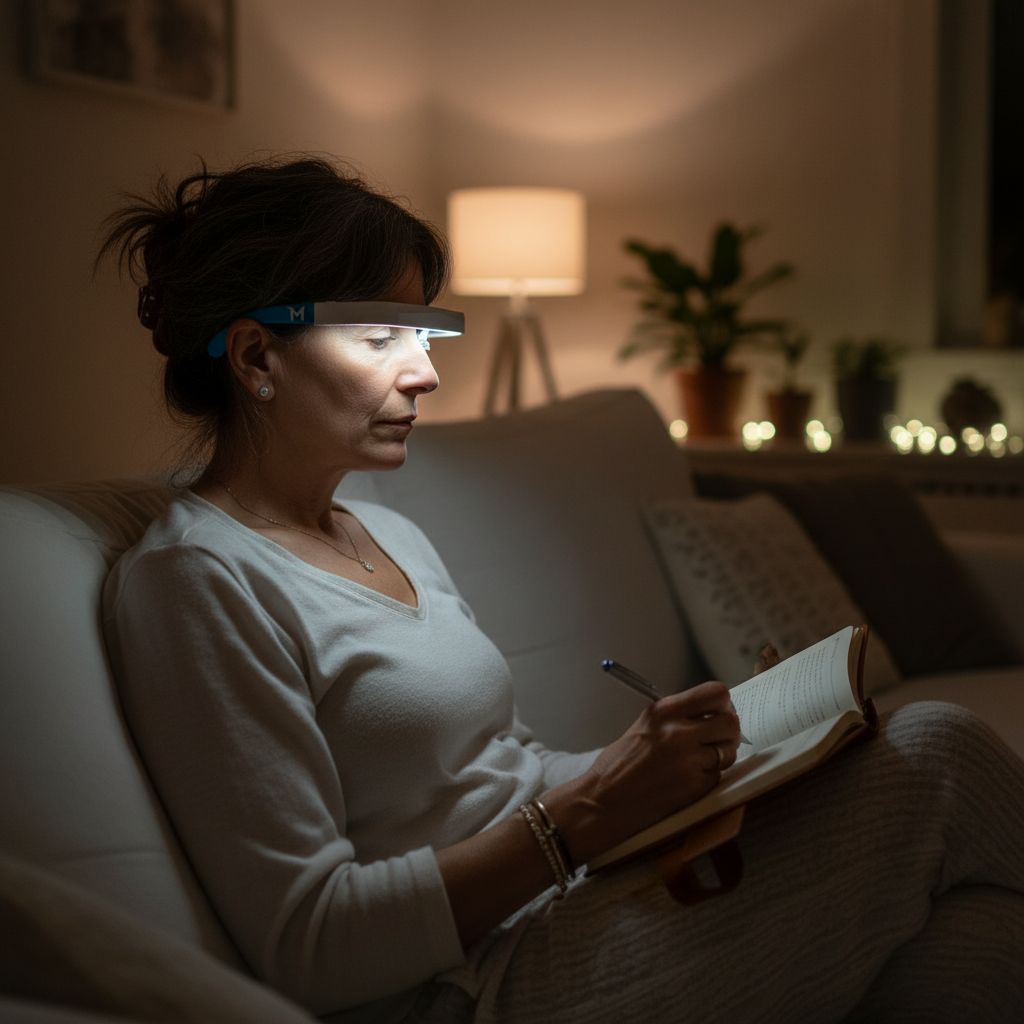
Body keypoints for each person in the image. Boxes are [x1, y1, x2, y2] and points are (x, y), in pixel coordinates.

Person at [100, 155, 1024, 1024]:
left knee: (981, 945)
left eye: (424, 333)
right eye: (381, 336)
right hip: (474, 986)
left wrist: (651, 757)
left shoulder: (392, 534)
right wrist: (581, 818)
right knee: (935, 747)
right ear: (258, 358)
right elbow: (311, 941)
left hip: (574, 900)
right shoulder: (195, 584)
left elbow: (506, 765)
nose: (423, 371)